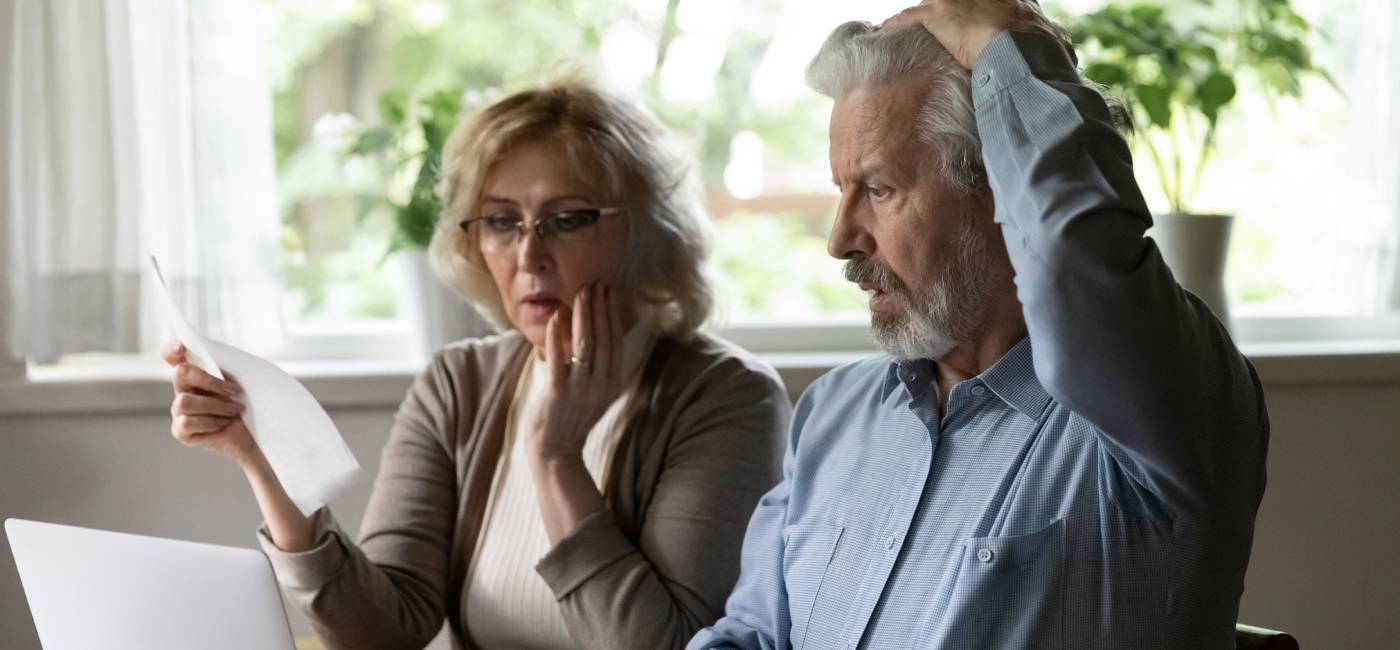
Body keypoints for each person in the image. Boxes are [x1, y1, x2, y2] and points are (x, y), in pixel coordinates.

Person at [690, 2, 1269, 648]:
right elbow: (752, 633)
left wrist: (1004, 39)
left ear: (1003, 187)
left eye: (879, 190)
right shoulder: (832, 414)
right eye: (841, 191)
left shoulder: (1159, 413)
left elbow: (1078, 253)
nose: (840, 239)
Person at [164, 80, 791, 650]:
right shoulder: (458, 384)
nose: (528, 254)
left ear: (644, 232)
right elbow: (382, 631)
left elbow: (666, 646)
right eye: (501, 222)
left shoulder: (729, 397)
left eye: (565, 220)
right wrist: (262, 455)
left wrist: (556, 457)